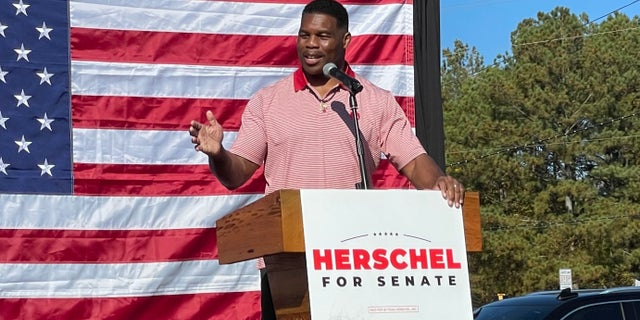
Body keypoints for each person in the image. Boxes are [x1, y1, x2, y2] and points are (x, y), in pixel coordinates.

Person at [189, 0, 465, 318]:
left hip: (353, 264)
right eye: (304, 34)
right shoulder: (267, 102)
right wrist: (219, 154)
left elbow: (415, 162)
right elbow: (236, 173)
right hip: (287, 264)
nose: (310, 44)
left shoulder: (375, 101)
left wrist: (438, 182)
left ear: (345, 41)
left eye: (322, 36)